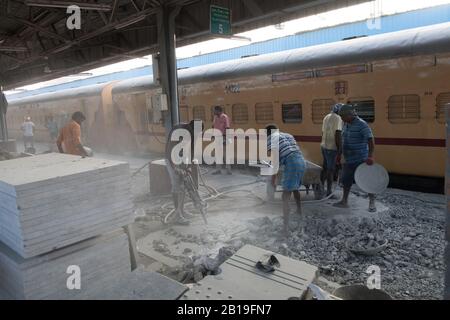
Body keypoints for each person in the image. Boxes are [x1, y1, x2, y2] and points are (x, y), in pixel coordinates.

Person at [334, 104, 377, 212]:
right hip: (349, 159)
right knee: (346, 180)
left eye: (343, 116)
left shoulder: (362, 125)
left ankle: (372, 202)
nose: (342, 119)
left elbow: (370, 141)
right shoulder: (346, 124)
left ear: (350, 115)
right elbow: (343, 141)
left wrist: (370, 156)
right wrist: (339, 154)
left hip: (361, 158)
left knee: (367, 181)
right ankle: (344, 201)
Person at [266, 124, 306, 236]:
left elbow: (275, 162)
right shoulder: (287, 135)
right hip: (301, 161)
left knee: (285, 196)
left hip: (292, 163)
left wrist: (273, 180)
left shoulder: (270, 140)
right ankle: (299, 211)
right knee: (295, 188)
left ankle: (285, 228)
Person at [165, 120, 205, 225]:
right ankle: (177, 215)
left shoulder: (193, 133)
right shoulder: (178, 131)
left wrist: (189, 166)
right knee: (177, 186)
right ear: (191, 128)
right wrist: (176, 168)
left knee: (183, 186)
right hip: (172, 159)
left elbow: (191, 151)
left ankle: (181, 211)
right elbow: (170, 151)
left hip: (182, 158)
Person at [321, 104, 343, 196]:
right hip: (332, 147)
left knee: (325, 168)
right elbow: (338, 134)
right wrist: (340, 149)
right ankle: (329, 192)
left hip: (324, 146)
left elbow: (322, 132)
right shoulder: (338, 118)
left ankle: (321, 187)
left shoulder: (326, 117)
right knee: (331, 169)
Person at [212, 106, 232, 175]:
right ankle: (218, 170)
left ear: (218, 111)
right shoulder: (215, 117)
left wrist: (225, 138)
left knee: (226, 154)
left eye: (214, 110)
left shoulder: (224, 117)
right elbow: (214, 126)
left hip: (224, 137)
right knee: (218, 154)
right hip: (217, 137)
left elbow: (227, 128)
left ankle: (228, 170)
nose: (213, 112)